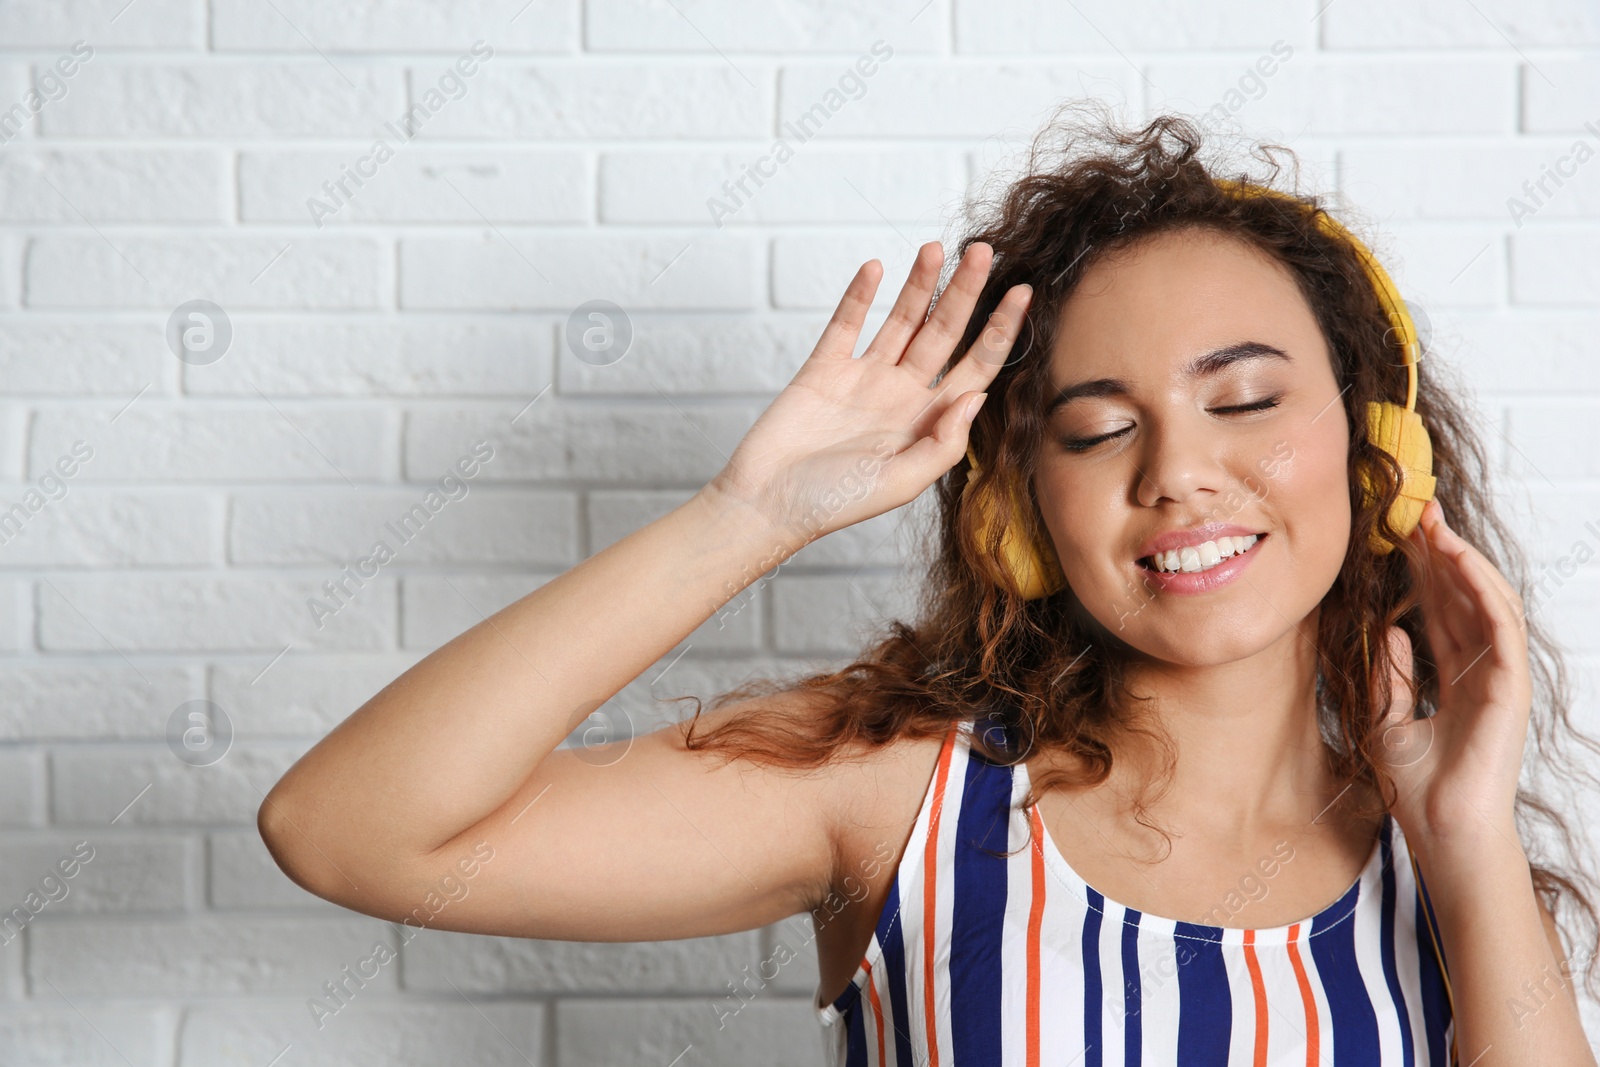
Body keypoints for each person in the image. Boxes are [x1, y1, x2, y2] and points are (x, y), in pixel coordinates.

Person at [259, 105, 1600, 1064]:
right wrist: (749, 518)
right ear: (1020, 512)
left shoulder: (1449, 863)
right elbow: (354, 830)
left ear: (1383, 453)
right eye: (1095, 427)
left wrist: (1468, 835)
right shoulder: (909, 797)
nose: (1181, 474)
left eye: (1245, 399)